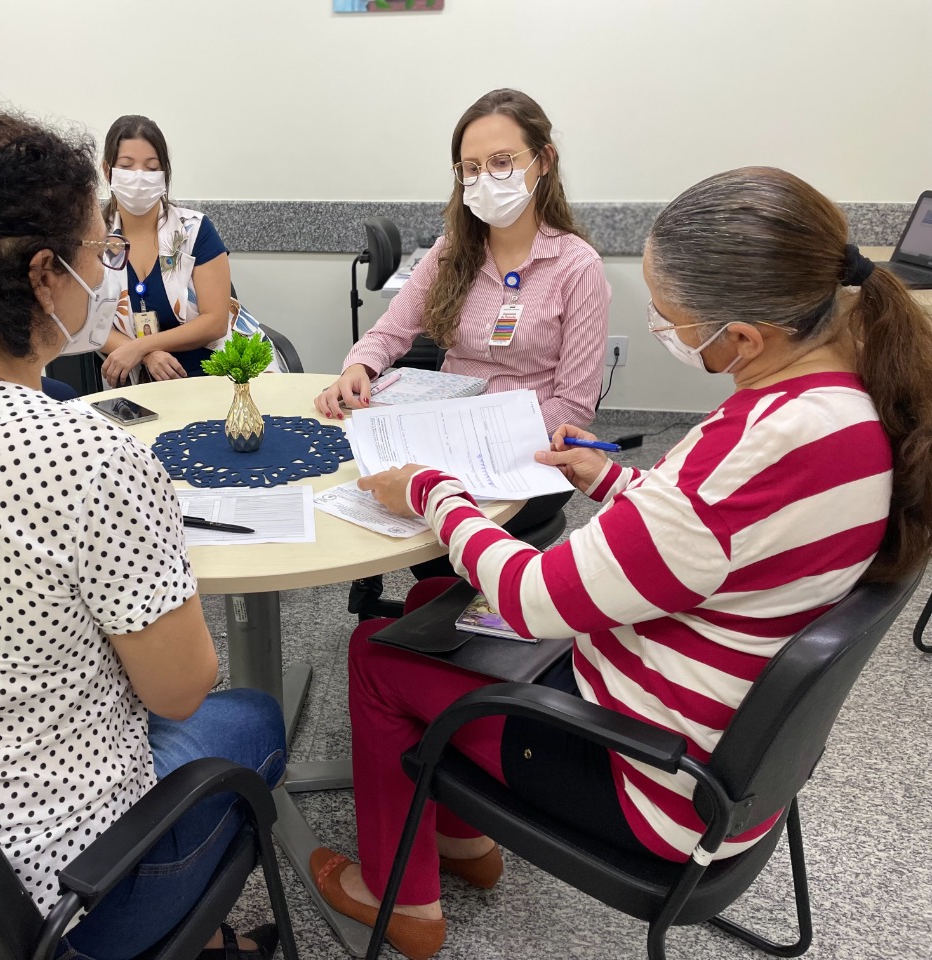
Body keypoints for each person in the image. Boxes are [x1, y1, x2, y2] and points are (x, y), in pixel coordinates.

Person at [311, 166, 932, 960]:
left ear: (743, 338)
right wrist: (610, 478)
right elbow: (722, 533)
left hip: (648, 779)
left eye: (671, 319)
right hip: (722, 748)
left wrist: (433, 491)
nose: (662, 329)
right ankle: (464, 842)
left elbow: (538, 597)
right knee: (442, 591)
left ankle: (401, 902)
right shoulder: (850, 405)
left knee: (377, 653)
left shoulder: (750, 447)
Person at [0, 106, 285, 960]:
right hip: (49, 896)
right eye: (100, 252)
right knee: (250, 720)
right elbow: (179, 692)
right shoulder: (87, 456)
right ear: (43, 275)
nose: (109, 274)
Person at [317, 88, 610, 584]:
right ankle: (432, 620)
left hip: (528, 455)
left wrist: (493, 439)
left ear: (543, 161)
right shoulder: (453, 251)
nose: (484, 179)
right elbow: (391, 330)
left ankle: (461, 623)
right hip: (446, 435)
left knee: (428, 519)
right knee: (366, 487)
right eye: (470, 168)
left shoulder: (577, 267)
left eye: (501, 162)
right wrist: (359, 367)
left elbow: (575, 407)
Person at [99, 115, 233, 386]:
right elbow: (88, 322)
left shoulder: (194, 231)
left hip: (212, 375)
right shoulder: (95, 240)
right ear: (107, 170)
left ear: (164, 174)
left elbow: (215, 321)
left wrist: (141, 347)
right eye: (127, 166)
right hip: (138, 385)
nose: (139, 177)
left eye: (152, 168)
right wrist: (148, 355)